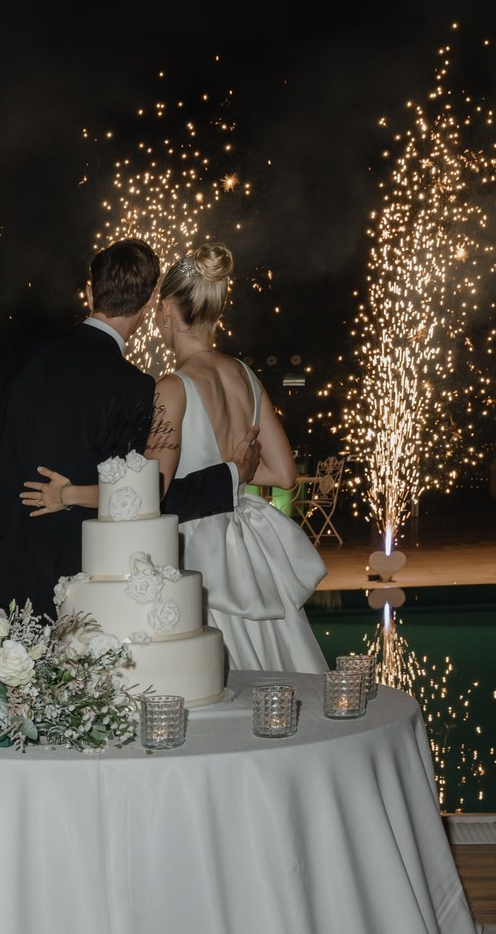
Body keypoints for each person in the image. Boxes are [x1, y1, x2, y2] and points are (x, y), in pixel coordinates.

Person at [22, 247, 328, 671]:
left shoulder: (172, 387)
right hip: (246, 548)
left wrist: (69, 493)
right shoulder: (244, 374)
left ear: (166, 309)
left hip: (196, 549)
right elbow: (284, 474)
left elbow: (151, 491)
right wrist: (234, 470)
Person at [0, 239, 247, 614]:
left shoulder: (20, 356)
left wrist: (23, 486)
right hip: (73, 584)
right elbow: (141, 494)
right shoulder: (134, 387)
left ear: (90, 291)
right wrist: (229, 477)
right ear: (148, 306)